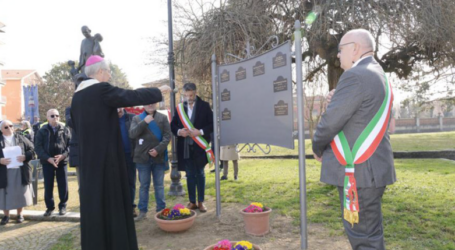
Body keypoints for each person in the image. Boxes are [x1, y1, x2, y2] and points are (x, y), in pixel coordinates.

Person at [70, 55, 170, 250]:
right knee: (112, 203)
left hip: (89, 162)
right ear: (99, 71)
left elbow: (79, 124)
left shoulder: (77, 97)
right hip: (107, 161)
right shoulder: (100, 89)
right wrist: (157, 92)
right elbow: (130, 96)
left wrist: (107, 115)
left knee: (95, 205)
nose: (109, 76)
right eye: (108, 72)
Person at [312, 29, 395, 250]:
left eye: (341, 50)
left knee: (364, 240)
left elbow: (331, 122)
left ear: (355, 49)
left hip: (360, 172)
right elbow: (383, 123)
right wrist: (336, 98)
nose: (338, 55)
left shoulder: (355, 75)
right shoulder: (379, 74)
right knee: (370, 233)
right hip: (373, 169)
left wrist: (317, 147)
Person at [171, 82, 213, 213]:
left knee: (200, 174)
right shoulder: (179, 108)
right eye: (186, 95)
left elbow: (211, 125)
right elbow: (173, 125)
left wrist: (199, 131)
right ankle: (192, 202)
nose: (189, 98)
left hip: (200, 147)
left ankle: (201, 202)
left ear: (195, 93)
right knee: (189, 175)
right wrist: (179, 132)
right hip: (185, 147)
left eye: (191, 95)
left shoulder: (204, 106)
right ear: (183, 94)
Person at [129, 103, 171, 221]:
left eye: (153, 103)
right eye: (148, 103)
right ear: (144, 105)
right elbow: (132, 134)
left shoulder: (162, 118)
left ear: (156, 104)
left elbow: (167, 136)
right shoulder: (137, 118)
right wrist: (145, 122)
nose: (150, 105)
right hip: (142, 159)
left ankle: (161, 210)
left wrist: (158, 150)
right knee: (144, 186)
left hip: (159, 157)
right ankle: (142, 212)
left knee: (159, 186)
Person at [35, 109, 71, 217]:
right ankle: (49, 208)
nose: (55, 117)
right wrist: (48, 158)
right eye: (52, 116)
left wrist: (63, 155)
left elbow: (70, 145)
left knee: (63, 185)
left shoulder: (65, 129)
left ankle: (63, 206)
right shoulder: (42, 131)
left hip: (61, 161)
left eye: (57, 115)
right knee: (48, 185)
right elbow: (38, 147)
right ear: (47, 118)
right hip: (47, 162)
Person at [0, 120, 35, 225]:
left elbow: (32, 150)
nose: (10, 128)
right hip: (4, 172)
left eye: (11, 126)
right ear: (1, 129)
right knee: (5, 194)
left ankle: (20, 214)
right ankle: (6, 215)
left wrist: (25, 156)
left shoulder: (20, 137)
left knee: (20, 192)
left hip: (20, 170)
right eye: (6, 127)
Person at [117, 107, 138, 217]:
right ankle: (120, 208)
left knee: (131, 182)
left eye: (119, 107)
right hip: (116, 157)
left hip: (130, 155)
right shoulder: (110, 120)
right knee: (118, 183)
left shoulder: (132, 118)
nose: (118, 110)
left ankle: (131, 207)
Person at [65, 107, 80, 193]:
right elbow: (70, 122)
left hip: (92, 151)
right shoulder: (71, 109)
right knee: (81, 182)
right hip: (78, 151)